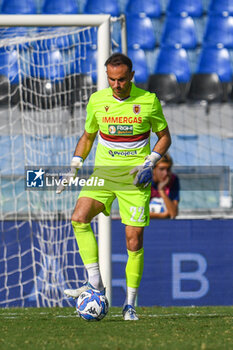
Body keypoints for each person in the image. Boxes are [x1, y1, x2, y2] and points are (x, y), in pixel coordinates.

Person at [57, 53, 171, 320]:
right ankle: (95, 282)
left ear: (131, 76)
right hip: (104, 175)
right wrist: (74, 165)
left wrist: (151, 161)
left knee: (133, 241)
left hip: (134, 180)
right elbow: (88, 135)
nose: (116, 84)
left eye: (121, 79)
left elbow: (164, 137)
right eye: (111, 79)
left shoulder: (148, 101)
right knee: (79, 217)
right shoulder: (97, 100)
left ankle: (130, 303)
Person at [150, 153, 180, 219]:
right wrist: (161, 215)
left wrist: (161, 190)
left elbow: (173, 213)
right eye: (161, 169)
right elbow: (136, 213)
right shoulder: (145, 181)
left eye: (168, 169)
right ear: (153, 170)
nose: (165, 173)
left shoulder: (173, 180)